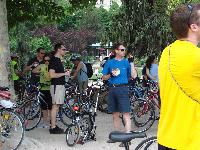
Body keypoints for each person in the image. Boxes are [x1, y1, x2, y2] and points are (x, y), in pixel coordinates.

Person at [158, 3, 200, 150]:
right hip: (190, 141)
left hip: (166, 138)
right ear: (193, 27)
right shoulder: (196, 57)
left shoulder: (166, 52)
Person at [102, 42, 133, 146]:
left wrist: (131, 63)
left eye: (124, 50)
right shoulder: (110, 63)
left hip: (123, 88)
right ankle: (116, 136)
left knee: (126, 113)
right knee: (115, 113)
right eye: (122, 50)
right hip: (112, 89)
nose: (124, 52)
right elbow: (104, 77)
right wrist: (111, 74)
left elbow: (130, 76)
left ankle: (127, 139)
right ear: (116, 51)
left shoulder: (126, 62)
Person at [49, 43, 70, 134]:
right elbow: (51, 74)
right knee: (55, 106)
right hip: (56, 86)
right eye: (64, 49)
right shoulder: (54, 60)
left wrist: (64, 73)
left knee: (56, 106)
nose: (65, 51)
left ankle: (53, 125)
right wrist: (64, 74)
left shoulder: (57, 60)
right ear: (58, 49)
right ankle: (53, 128)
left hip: (59, 86)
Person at [32, 54, 52, 128]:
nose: (46, 61)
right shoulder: (42, 66)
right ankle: (45, 122)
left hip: (50, 89)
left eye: (48, 60)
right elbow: (34, 70)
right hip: (42, 89)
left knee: (50, 106)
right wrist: (40, 71)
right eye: (45, 60)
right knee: (43, 107)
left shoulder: (52, 67)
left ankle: (51, 122)